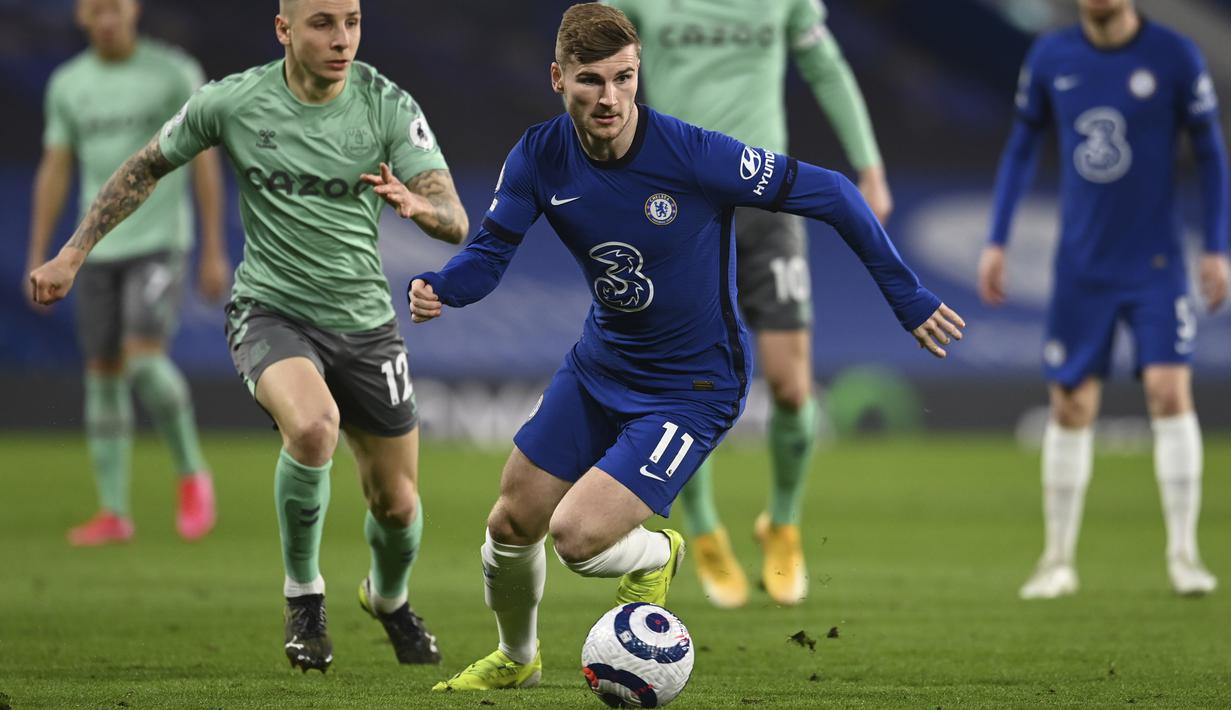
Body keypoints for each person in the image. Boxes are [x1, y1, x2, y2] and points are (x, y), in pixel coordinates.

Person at [418, 3, 963, 692]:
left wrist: (906, 297)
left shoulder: (693, 154)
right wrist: (442, 287)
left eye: (623, 78)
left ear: (638, 73)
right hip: (598, 367)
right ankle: (517, 657)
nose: (609, 97)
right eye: (591, 80)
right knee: (510, 520)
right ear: (558, 78)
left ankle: (659, 554)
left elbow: (833, 193)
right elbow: (491, 252)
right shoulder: (538, 154)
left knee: (577, 538)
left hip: (690, 389)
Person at [30, 0, 469, 672]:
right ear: (283, 29)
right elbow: (145, 166)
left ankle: (389, 599)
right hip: (270, 311)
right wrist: (71, 254)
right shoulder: (231, 102)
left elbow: (455, 218)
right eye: (322, 22)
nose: (342, 38)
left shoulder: (385, 104)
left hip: (366, 325)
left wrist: (420, 207)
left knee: (398, 505)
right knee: (314, 428)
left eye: (352, 21)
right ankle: (304, 599)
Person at [606, 0, 892, 609]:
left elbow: (826, 67)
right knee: (687, 381)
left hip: (768, 198)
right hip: (680, 205)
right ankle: (705, 529)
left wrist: (868, 165)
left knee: (791, 383)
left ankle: (782, 523)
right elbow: (596, 69)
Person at [979, 0, 1228, 598]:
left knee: (1168, 391)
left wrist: (1217, 246)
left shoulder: (1173, 55)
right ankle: (1057, 561)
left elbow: (1211, 152)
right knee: (1070, 405)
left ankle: (1184, 555)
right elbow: (1021, 145)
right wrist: (996, 238)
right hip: (1081, 265)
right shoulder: (1051, 54)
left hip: (1156, 262)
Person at [26, 0, 226, 547]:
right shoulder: (68, 84)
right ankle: (114, 510)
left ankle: (192, 472)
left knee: (143, 363)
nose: (108, 19)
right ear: (81, 16)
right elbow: (55, 168)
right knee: (102, 373)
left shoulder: (174, 72)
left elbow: (205, 160)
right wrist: (40, 251)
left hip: (159, 242)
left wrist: (213, 248)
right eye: (97, 10)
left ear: (134, 10)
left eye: (116, 8)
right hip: (92, 249)